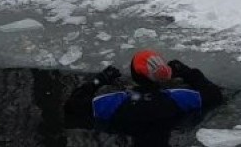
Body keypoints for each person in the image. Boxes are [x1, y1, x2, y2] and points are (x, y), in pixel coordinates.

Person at [64, 50, 223, 142]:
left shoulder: (114, 102)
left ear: (134, 75)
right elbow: (214, 95)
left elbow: (72, 107)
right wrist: (187, 72)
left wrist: (99, 81)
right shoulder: (178, 98)